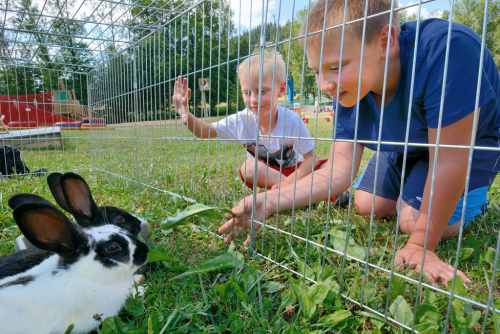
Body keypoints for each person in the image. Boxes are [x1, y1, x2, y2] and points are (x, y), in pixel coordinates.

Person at [218, 0, 500, 287]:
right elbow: (338, 170)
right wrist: (270, 201)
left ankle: (475, 196)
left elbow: (449, 159)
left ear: (385, 42)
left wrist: (420, 246)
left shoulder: (447, 51)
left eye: (335, 67)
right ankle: (413, 183)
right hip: (408, 147)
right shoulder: (350, 87)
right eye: (317, 71)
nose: (324, 84)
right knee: (366, 204)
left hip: (464, 147)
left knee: (413, 222)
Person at [173, 51, 327, 190]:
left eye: (262, 91)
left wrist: (288, 183)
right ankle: (302, 193)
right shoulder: (241, 121)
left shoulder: (292, 121)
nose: (253, 99)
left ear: (281, 89)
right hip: (268, 175)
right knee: (248, 168)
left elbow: (311, 159)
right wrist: (185, 114)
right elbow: (205, 131)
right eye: (247, 92)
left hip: (296, 172)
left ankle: (290, 192)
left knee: (328, 166)